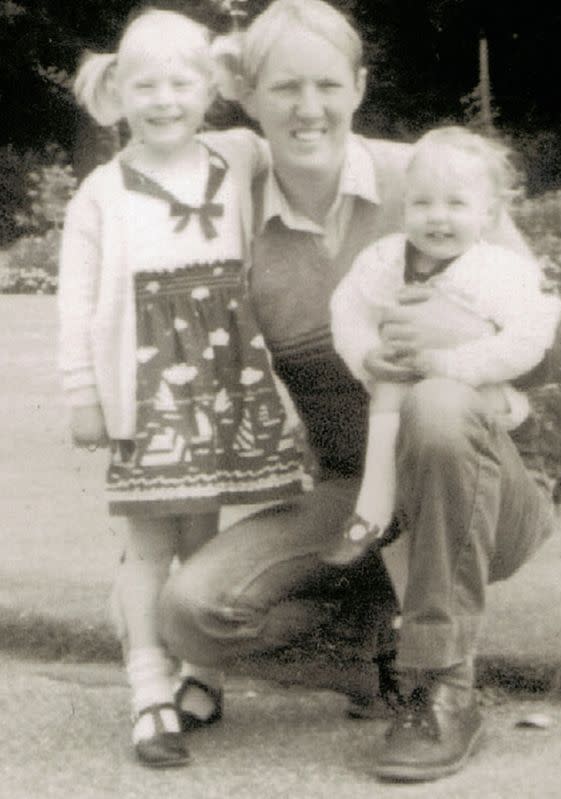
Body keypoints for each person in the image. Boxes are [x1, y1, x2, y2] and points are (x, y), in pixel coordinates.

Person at [159, 0, 561, 783]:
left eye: (327, 83)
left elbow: (560, 346)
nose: (308, 107)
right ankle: (374, 659)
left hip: (480, 487)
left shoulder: (430, 179)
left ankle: (444, 689)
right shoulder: (230, 209)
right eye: (284, 87)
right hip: (353, 496)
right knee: (194, 610)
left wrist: (461, 335)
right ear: (247, 95)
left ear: (358, 85)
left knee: (441, 401)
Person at [58, 8, 308, 769]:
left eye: (180, 83)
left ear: (210, 91)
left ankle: (205, 674)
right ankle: (148, 691)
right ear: (118, 92)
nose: (163, 99)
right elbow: (77, 299)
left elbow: (308, 144)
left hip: (225, 380)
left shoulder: (237, 156)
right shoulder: (102, 192)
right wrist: (82, 391)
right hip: (148, 387)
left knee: (205, 535)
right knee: (148, 545)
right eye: (145, 85)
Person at [321, 126, 561, 566]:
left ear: (488, 215)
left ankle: (398, 525)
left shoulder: (499, 271)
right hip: (407, 405)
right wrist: (366, 353)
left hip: (483, 403)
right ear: (404, 207)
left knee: (436, 400)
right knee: (389, 387)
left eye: (455, 203)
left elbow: (532, 335)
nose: (437, 217)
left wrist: (452, 361)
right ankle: (373, 511)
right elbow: (349, 310)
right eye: (423, 202)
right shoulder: (385, 259)